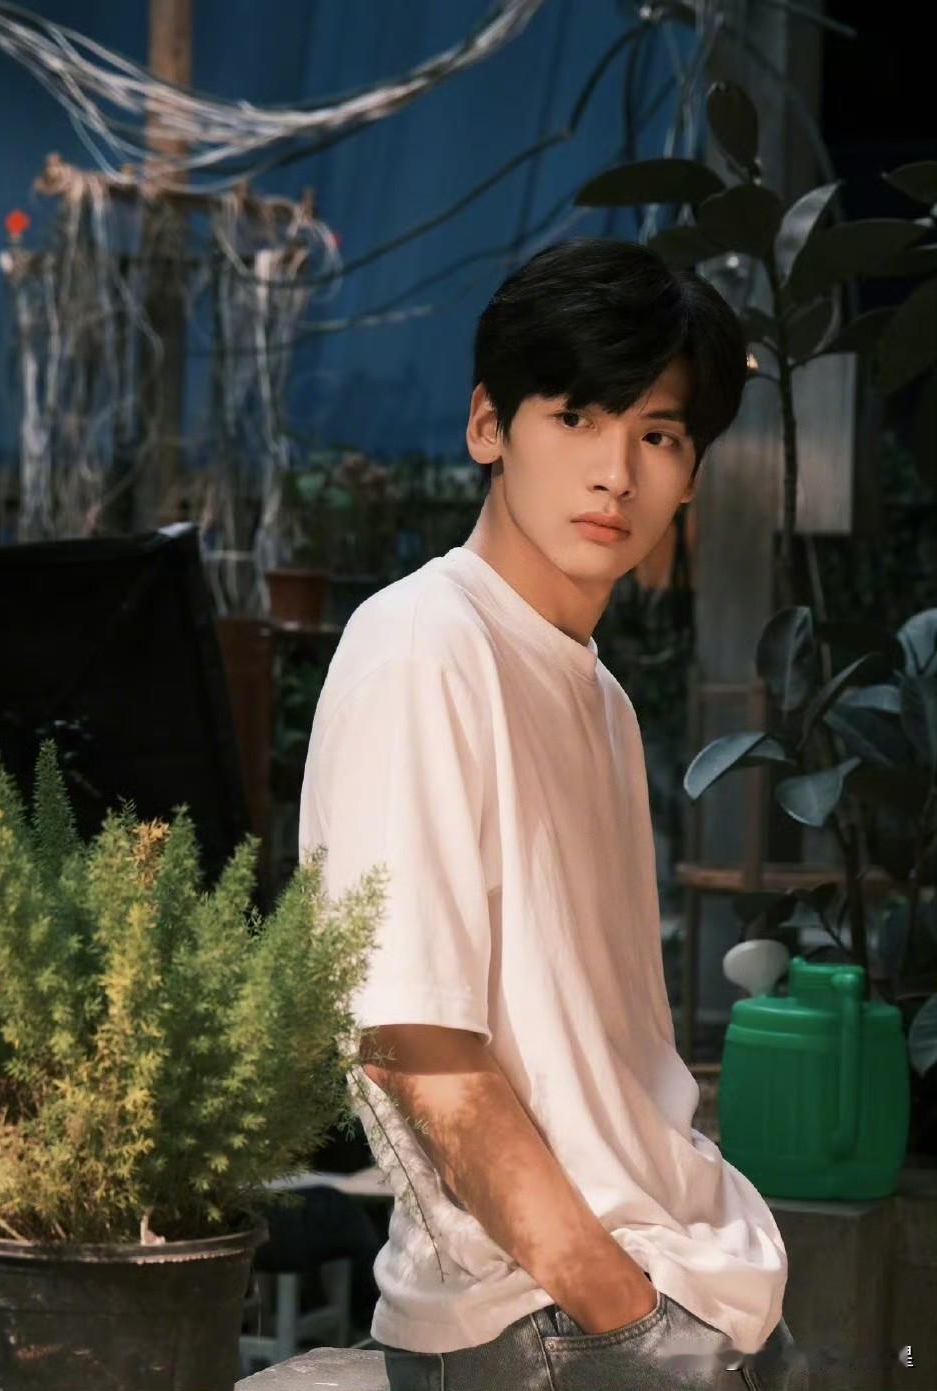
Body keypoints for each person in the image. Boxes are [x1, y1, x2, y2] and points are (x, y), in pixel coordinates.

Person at [297, 239, 809, 1389]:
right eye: (576, 415)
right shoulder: (424, 644)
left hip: (672, 1281)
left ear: (690, 470)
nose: (615, 472)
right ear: (490, 424)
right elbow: (414, 1044)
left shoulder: (599, 696)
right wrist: (626, 1313)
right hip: (547, 1319)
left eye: (658, 434)